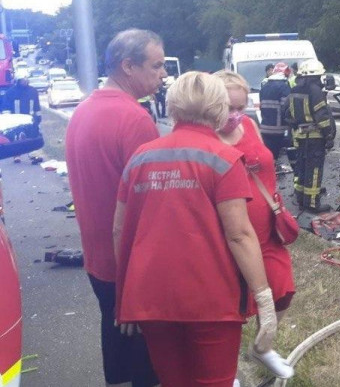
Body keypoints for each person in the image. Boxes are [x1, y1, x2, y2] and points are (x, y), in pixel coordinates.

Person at [113, 72, 280, 387]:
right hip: (210, 299)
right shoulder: (225, 160)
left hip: (149, 297)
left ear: (172, 108)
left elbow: (120, 230)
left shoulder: (140, 158)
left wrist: (123, 296)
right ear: (218, 109)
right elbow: (239, 235)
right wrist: (263, 298)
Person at [65, 28, 165, 387]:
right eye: (156, 66)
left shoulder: (85, 110)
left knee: (120, 357)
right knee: (148, 368)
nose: (163, 74)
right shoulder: (135, 120)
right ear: (128, 66)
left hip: (99, 261)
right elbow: (152, 206)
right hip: (129, 266)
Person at [214, 71, 295, 379]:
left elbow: (263, 162)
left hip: (268, 230)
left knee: (282, 291)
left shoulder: (249, 124)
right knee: (232, 306)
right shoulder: (207, 137)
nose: (236, 115)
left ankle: (261, 348)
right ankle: (225, 368)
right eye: (228, 108)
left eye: (241, 107)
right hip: (233, 235)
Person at [285, 58, 335, 211]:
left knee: (302, 168)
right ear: (315, 76)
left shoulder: (294, 90)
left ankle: (301, 199)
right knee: (314, 170)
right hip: (315, 137)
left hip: (300, 137)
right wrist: (329, 135)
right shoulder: (315, 91)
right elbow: (322, 117)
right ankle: (312, 204)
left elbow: (287, 114)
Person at [259, 62, 293, 173]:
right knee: (289, 152)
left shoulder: (264, 87)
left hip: (265, 127)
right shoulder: (284, 87)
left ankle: (269, 174)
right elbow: (287, 109)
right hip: (279, 129)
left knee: (270, 155)